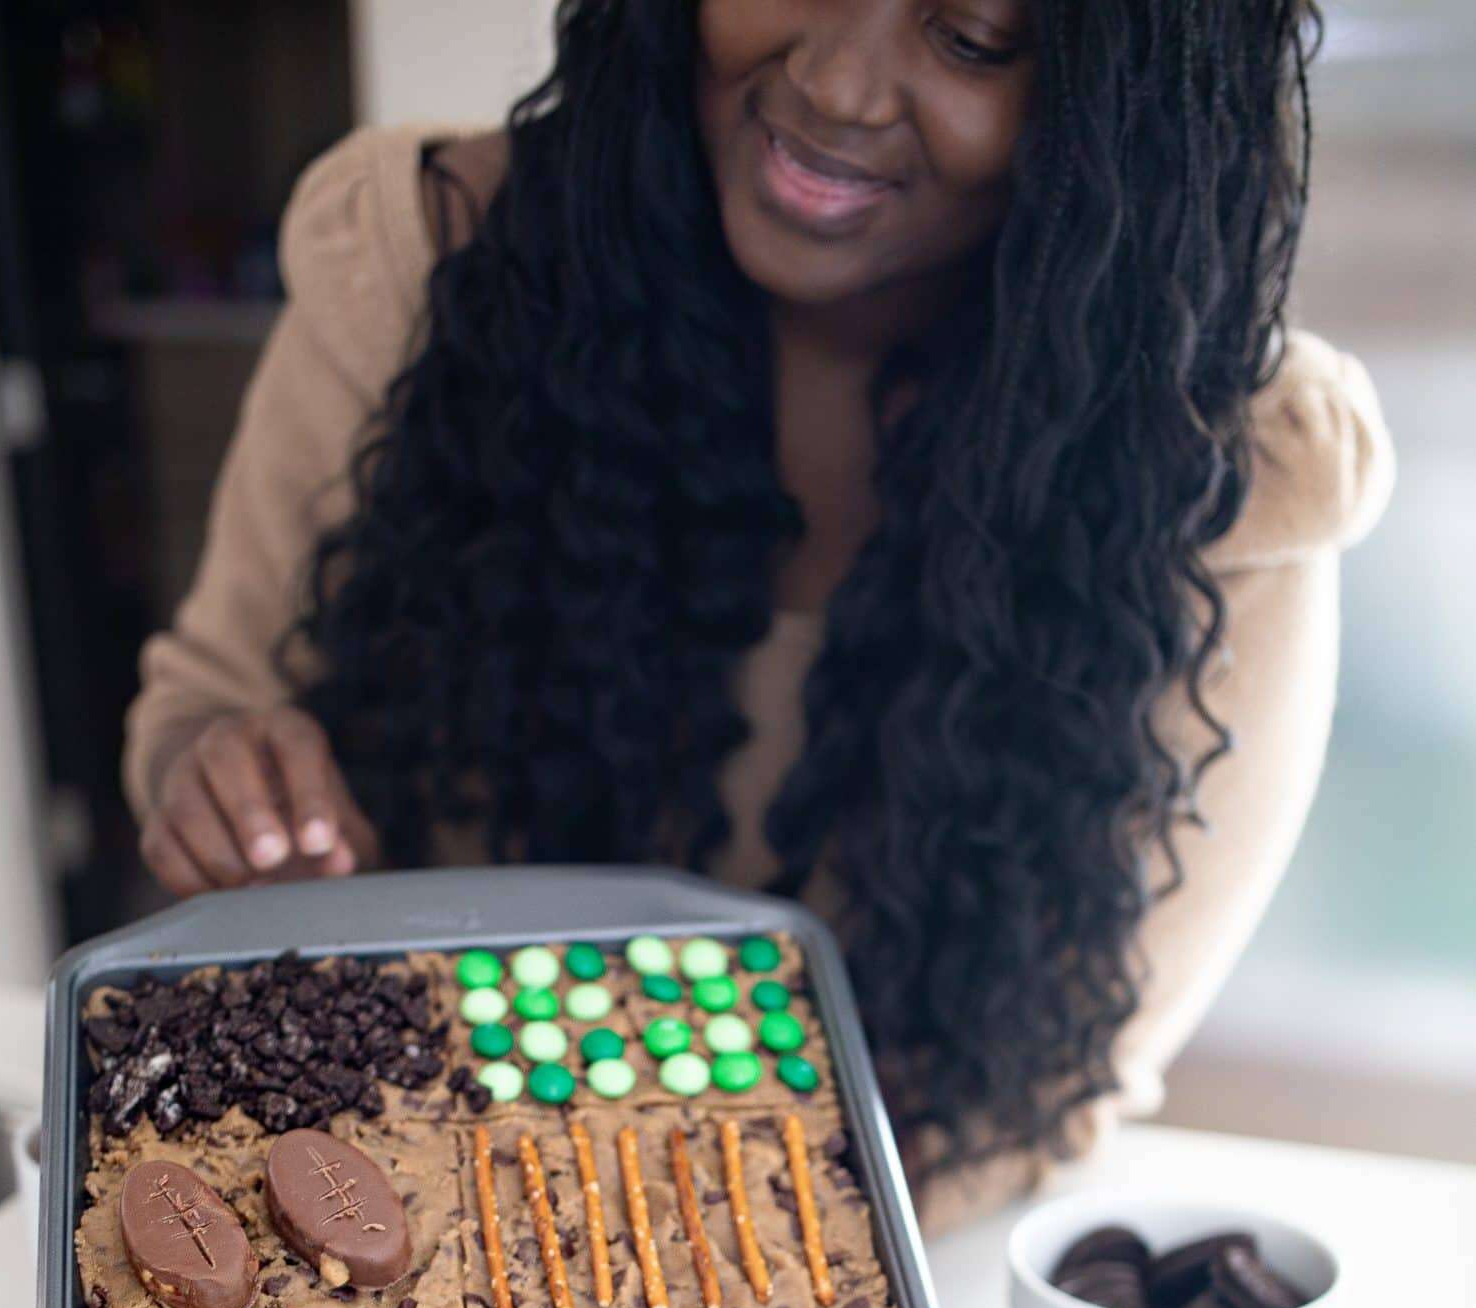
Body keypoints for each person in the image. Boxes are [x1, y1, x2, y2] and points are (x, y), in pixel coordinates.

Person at [124, 1, 1392, 1229]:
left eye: (970, 40)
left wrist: (680, 1252)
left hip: (845, 1268)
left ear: (1115, 114)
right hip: (386, 1206)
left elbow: (1054, 1074)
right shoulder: (423, 250)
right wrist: (225, 783)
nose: (836, 85)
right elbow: (204, 700)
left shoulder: (1217, 466)